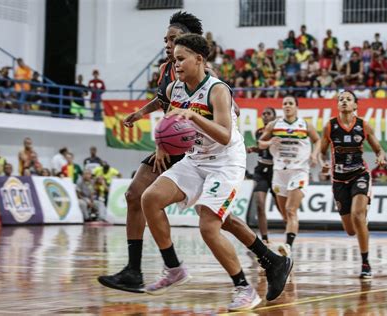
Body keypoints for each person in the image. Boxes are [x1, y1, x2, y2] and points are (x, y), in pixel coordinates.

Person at [98, 13, 291, 305]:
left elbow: (226, 135)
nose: (175, 63)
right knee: (148, 198)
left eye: (180, 58)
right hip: (195, 157)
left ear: (199, 59)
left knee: (208, 225)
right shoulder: (175, 86)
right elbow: (166, 111)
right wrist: (146, 120)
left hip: (225, 162)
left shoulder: (216, 88)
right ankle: (174, 267)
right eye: (173, 58)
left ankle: (244, 288)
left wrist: (195, 116)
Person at [320, 90, 386, 278]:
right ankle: (361, 222)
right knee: (350, 230)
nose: (344, 102)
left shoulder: (363, 125)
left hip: (360, 174)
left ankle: (365, 263)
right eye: (341, 99)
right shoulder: (330, 126)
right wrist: (323, 162)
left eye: (348, 99)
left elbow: (378, 150)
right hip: (339, 179)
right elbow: (322, 151)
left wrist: (381, 158)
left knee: (358, 215)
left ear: (355, 105)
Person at [258, 95, 321, 256]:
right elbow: (261, 143)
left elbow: (318, 140)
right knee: (285, 214)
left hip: (299, 171)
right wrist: (270, 142)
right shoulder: (274, 124)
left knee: (291, 210)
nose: (287, 106)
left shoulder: (305, 124)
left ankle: (288, 246)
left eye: (290, 103)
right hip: (279, 172)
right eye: (285, 103)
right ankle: (291, 236)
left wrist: (314, 155)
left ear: (296, 107)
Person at [246, 107, 282, 243]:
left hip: (276, 171)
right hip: (261, 170)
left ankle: (290, 232)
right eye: (264, 114)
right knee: (260, 204)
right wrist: (253, 149)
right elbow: (262, 148)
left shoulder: (279, 132)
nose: (265, 116)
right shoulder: (259, 132)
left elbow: (272, 147)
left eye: (268, 114)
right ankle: (265, 239)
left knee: (281, 206)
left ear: (274, 117)